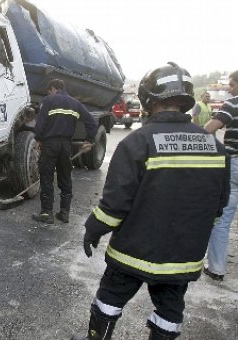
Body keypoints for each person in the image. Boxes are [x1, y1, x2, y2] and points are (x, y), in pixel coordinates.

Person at [72, 62, 230, 340]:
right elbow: (218, 206)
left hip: (133, 251)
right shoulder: (215, 147)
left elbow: (115, 204)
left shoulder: (138, 142)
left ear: (147, 98)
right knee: (170, 310)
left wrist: (93, 228)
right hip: (183, 258)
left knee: (110, 298)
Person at [32, 79, 95, 224]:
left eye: (50, 91)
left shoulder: (48, 101)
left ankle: (47, 213)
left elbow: (40, 123)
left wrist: (38, 139)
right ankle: (64, 213)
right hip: (66, 146)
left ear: (53, 89)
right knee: (65, 178)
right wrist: (89, 140)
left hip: (50, 145)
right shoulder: (75, 103)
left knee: (47, 176)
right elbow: (91, 121)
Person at [202, 70, 238, 281]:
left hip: (234, 165)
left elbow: (208, 128)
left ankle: (216, 268)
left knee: (223, 220)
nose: (229, 89)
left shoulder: (232, 104)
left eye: (232, 85)